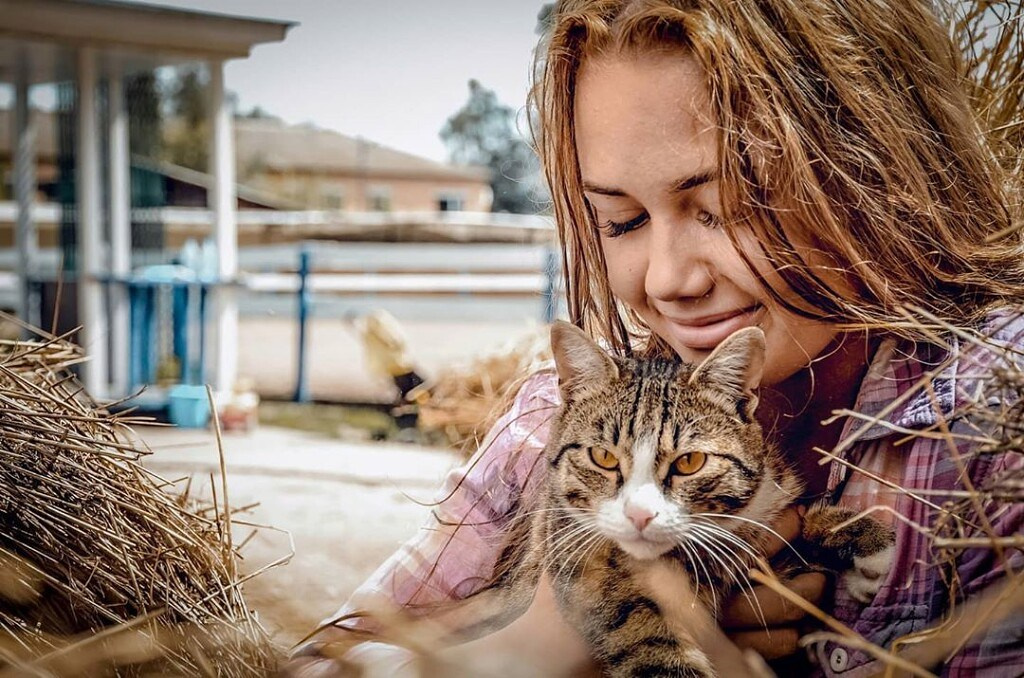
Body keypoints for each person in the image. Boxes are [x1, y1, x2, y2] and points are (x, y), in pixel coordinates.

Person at [285, 0, 1024, 675]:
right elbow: (313, 663)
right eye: (622, 221)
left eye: (730, 205)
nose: (669, 280)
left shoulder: (993, 434)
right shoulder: (549, 427)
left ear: (877, 172)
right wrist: (529, 648)